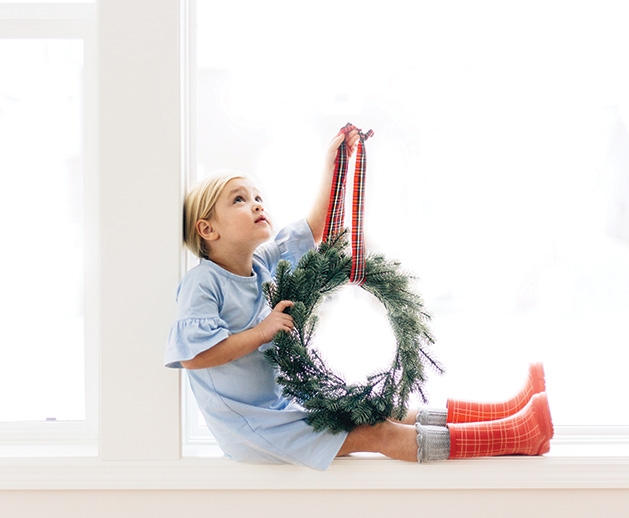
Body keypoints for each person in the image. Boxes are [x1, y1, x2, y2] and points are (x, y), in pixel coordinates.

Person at [164, 128, 554, 470]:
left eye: (257, 196)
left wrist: (334, 164)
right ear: (207, 229)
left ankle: (507, 413)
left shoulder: (262, 264)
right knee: (378, 430)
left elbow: (313, 228)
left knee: (385, 409)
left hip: (279, 406)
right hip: (254, 426)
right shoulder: (203, 283)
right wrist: (263, 332)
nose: (257, 203)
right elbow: (195, 356)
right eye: (239, 200)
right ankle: (516, 435)